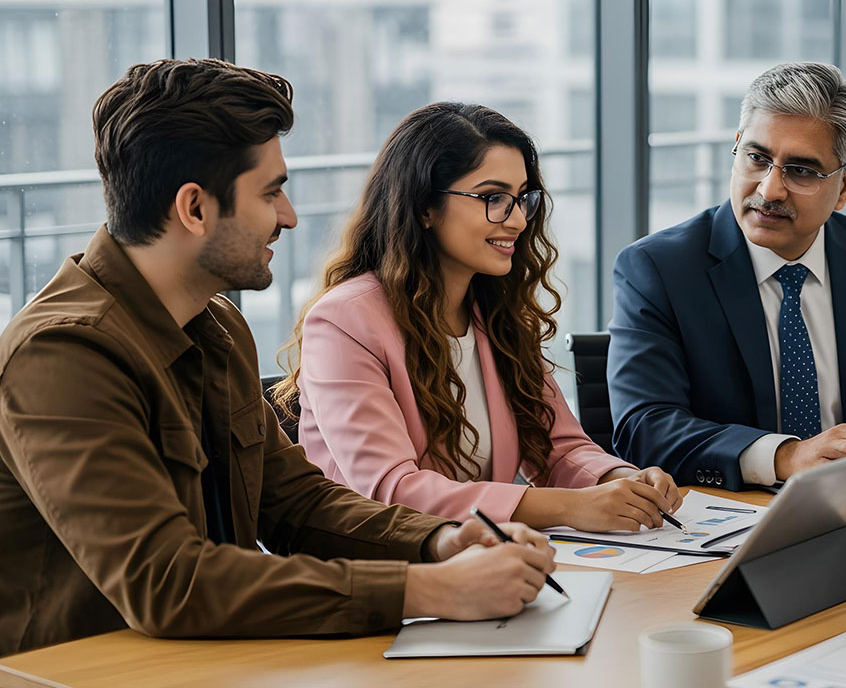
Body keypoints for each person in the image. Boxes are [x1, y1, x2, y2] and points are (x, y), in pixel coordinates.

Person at [0, 60, 556, 657]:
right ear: (194, 208)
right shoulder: (64, 353)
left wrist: (440, 542)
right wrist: (432, 589)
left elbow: (296, 504)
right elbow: (169, 583)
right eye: (270, 193)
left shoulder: (218, 327)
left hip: (213, 659)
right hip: (88, 673)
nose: (288, 216)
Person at [274, 102, 681, 532]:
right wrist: (569, 507)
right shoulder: (344, 321)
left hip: (485, 556)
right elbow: (392, 491)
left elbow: (559, 448)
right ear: (424, 207)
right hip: (380, 561)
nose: (518, 219)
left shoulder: (495, 313)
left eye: (521, 198)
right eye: (493, 198)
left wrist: (620, 480)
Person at [608, 62, 846, 491]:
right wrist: (785, 456)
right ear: (736, 149)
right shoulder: (659, 269)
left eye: (802, 171)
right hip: (737, 512)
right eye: (757, 158)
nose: (769, 190)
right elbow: (644, 428)